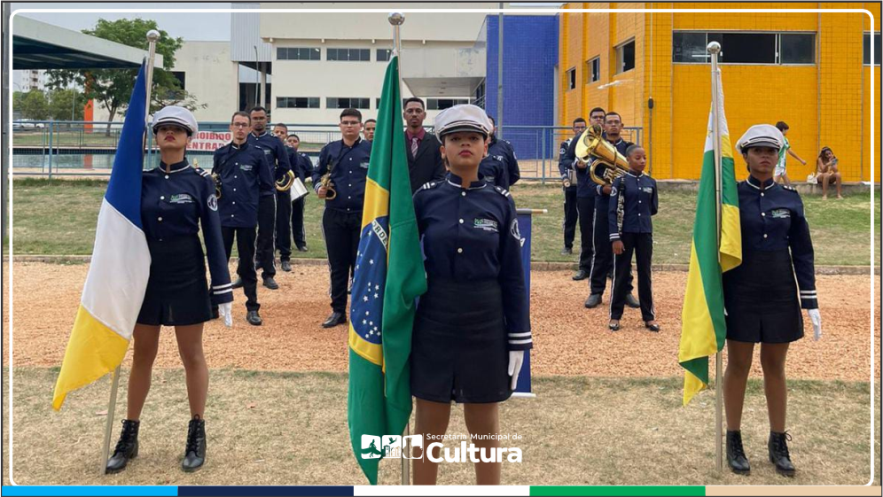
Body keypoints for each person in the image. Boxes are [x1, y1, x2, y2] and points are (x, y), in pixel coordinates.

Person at [106, 106, 233, 474]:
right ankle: (129, 434)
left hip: (187, 275)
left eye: (178, 129)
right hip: (146, 278)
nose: (171, 134)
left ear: (189, 138)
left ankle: (196, 432)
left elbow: (212, 235)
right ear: (156, 137)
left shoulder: (200, 181)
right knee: (142, 355)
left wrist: (222, 288)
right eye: (164, 129)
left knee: (191, 355)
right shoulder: (140, 180)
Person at [411, 104, 530, 485]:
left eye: (473, 138)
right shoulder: (424, 199)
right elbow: (402, 266)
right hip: (434, 317)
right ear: (442, 148)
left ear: (486, 147)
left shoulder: (500, 201)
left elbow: (513, 275)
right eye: (455, 139)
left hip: (485, 319)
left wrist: (518, 337)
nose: (465, 144)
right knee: (429, 423)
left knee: (484, 427)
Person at [723, 124, 821, 478]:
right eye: (758, 151)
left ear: (777, 155)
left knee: (775, 367)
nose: (765, 156)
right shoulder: (730, 197)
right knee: (738, 365)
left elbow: (803, 252)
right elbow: (716, 249)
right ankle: (734, 439)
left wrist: (809, 298)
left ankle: (777, 440)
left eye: (771, 151)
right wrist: (717, 296)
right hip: (741, 290)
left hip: (780, 290)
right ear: (745, 156)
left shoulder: (791, 198)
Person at [312, 108, 371, 328]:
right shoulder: (330, 149)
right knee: (337, 266)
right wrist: (319, 186)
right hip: (334, 214)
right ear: (339, 125)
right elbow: (317, 173)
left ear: (361, 126)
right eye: (345, 122)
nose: (349, 126)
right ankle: (337, 311)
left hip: (362, 216)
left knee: (360, 266)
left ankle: (361, 311)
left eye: (353, 122)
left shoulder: (371, 150)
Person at [213, 111, 273, 326]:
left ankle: (252, 307)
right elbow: (215, 180)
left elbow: (267, 188)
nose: (240, 128)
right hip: (224, 215)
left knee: (247, 263)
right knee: (220, 261)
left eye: (244, 125)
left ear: (249, 129)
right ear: (230, 127)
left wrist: (259, 211)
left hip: (247, 215)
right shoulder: (220, 154)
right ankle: (214, 304)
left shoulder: (257, 155)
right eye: (236, 124)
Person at [585, 112, 639, 309]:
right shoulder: (594, 150)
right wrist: (602, 188)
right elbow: (588, 179)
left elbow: (637, 173)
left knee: (626, 249)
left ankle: (626, 291)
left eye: (617, 122)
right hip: (604, 204)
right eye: (610, 122)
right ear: (604, 126)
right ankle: (596, 292)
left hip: (626, 206)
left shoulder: (630, 149)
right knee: (601, 249)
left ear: (622, 125)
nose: (613, 125)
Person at [606, 144, 659, 332]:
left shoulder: (651, 182)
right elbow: (612, 211)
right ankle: (615, 316)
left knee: (645, 274)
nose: (642, 161)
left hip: (644, 233)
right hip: (624, 234)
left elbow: (653, 208)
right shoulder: (619, 182)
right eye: (638, 158)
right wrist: (615, 238)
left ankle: (649, 316)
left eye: (644, 157)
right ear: (628, 159)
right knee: (621, 274)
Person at [237, 106, 290, 291]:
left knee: (267, 234)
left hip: (267, 194)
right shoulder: (244, 140)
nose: (258, 121)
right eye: (255, 118)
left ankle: (268, 274)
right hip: (246, 195)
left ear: (266, 120)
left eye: (262, 118)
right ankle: (243, 274)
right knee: (245, 236)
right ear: (250, 120)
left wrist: (271, 179)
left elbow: (284, 165)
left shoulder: (275, 142)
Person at [566, 108, 605, 281]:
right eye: (595, 117)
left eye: (601, 117)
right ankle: (585, 267)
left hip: (605, 191)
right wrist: (576, 164)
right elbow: (565, 160)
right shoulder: (579, 139)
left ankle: (608, 268)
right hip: (584, 191)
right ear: (590, 120)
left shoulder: (609, 140)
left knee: (607, 230)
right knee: (586, 229)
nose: (599, 120)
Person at [403, 97, 446, 193]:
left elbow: (440, 176)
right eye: (410, 111)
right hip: (400, 200)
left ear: (424, 115)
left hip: (428, 199)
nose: (414, 114)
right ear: (404, 115)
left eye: (418, 111)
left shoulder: (437, 143)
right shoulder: (395, 143)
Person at [558, 117, 586, 255]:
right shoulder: (567, 144)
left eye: (583, 127)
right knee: (570, 216)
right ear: (573, 129)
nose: (580, 130)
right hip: (572, 185)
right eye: (578, 127)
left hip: (586, 185)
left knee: (586, 217)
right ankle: (567, 245)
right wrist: (564, 177)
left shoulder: (590, 144)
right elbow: (562, 162)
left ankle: (586, 246)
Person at [271, 122, 296, 271]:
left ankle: (285, 257)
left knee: (284, 223)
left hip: (283, 191)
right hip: (268, 191)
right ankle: (266, 256)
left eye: (282, 132)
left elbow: (295, 172)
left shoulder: (290, 151)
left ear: (286, 135)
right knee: (266, 225)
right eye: (276, 132)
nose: (279, 134)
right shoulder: (266, 148)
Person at [286, 133, 311, 251]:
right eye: (289, 140)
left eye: (294, 141)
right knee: (282, 218)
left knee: (298, 216)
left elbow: (309, 172)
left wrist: (300, 180)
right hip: (284, 190)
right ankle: (282, 242)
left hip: (298, 190)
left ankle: (300, 243)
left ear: (298, 143)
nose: (291, 143)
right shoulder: (282, 155)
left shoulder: (303, 157)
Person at [487, 115, 521, 187]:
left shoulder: (505, 146)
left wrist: (502, 186)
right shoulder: (471, 147)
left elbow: (514, 174)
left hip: (499, 196)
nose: (486, 125)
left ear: (494, 129)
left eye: (489, 123)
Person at [772, 121, 807, 186]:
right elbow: (790, 151)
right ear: (782, 130)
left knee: (787, 182)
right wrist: (801, 160)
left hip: (780, 163)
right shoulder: (783, 139)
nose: (787, 132)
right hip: (780, 163)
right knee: (774, 185)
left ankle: (791, 194)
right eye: (786, 130)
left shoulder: (775, 138)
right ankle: (768, 195)